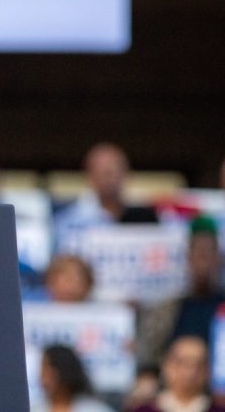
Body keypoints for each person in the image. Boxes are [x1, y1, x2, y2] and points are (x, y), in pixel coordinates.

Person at [137, 216, 225, 373]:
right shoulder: (167, 310)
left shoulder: (221, 305)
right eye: (199, 255)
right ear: (188, 259)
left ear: (219, 260)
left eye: (209, 255)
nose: (204, 263)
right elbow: (150, 357)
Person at [54, 142, 159, 253]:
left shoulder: (146, 217)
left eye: (114, 172)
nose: (110, 180)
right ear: (90, 176)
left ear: (126, 174)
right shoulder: (70, 222)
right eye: (104, 173)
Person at [129, 336, 225, 412]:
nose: (190, 372)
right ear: (165, 365)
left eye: (198, 364)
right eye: (181, 362)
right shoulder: (143, 410)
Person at [36, 344, 114, 412]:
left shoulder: (94, 409)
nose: (41, 376)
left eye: (46, 368)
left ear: (63, 371)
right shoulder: (35, 409)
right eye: (42, 369)